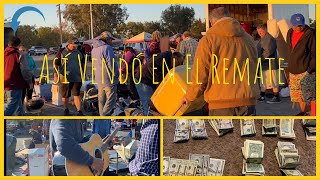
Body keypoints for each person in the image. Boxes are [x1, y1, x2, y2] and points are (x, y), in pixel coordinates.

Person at [182, 7, 259, 116]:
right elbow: (255, 66)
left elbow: (200, 75)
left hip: (221, 105)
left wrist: (189, 96)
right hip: (248, 102)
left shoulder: (208, 40)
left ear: (212, 21)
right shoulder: (248, 39)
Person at [286, 13, 316, 116]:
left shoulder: (310, 33)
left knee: (307, 96)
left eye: (301, 25)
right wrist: (287, 69)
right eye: (296, 25)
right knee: (297, 96)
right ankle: (304, 112)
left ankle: (308, 113)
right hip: (292, 71)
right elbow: (288, 51)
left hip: (305, 71)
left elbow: (315, 53)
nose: (299, 27)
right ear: (291, 24)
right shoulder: (289, 32)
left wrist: (309, 70)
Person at [92, 31, 119, 116]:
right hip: (108, 78)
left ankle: (101, 115)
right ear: (107, 39)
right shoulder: (107, 48)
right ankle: (104, 115)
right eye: (111, 39)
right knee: (111, 99)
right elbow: (111, 63)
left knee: (101, 100)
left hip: (99, 78)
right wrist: (116, 74)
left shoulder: (94, 49)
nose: (111, 41)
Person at [4, 37, 33, 116]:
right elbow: (25, 70)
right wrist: (29, 82)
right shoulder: (19, 55)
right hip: (14, 84)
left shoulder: (4, 53)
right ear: (18, 45)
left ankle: (21, 119)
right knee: (11, 106)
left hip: (5, 83)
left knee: (18, 104)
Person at [55, 39, 84, 116]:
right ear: (69, 44)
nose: (75, 47)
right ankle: (66, 109)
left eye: (76, 46)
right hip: (65, 77)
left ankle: (79, 111)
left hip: (77, 76)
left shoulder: (79, 52)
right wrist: (56, 74)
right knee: (65, 95)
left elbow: (82, 63)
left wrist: (83, 74)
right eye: (74, 46)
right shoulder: (61, 52)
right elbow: (56, 63)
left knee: (76, 94)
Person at [256, 24, 281, 103]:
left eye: (261, 31)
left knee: (273, 81)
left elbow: (268, 51)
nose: (260, 33)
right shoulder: (262, 39)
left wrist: (260, 59)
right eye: (258, 32)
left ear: (265, 29)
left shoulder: (269, 39)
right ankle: (262, 96)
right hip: (264, 65)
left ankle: (276, 97)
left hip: (271, 64)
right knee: (263, 81)